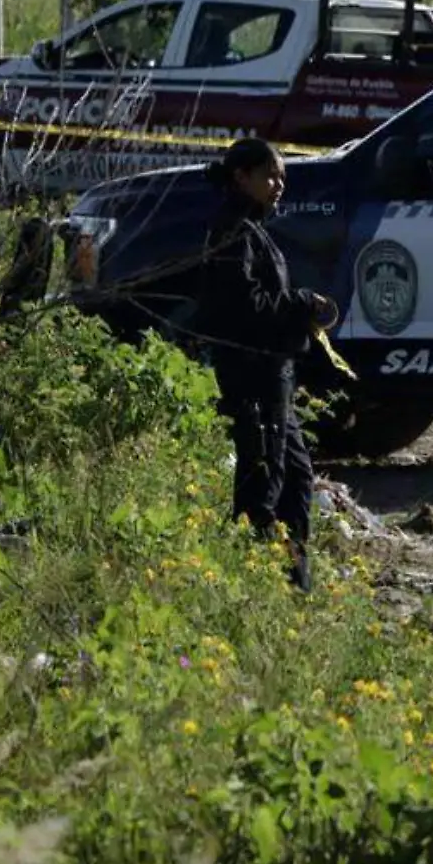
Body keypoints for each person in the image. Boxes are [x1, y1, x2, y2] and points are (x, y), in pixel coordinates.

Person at [191, 137, 340, 592]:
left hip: (275, 374)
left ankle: (294, 586)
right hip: (253, 375)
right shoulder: (233, 232)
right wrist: (303, 303)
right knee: (262, 483)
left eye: (282, 178)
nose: (279, 186)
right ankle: (246, 585)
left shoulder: (252, 229)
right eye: (270, 176)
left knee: (296, 479)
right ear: (242, 177)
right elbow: (247, 309)